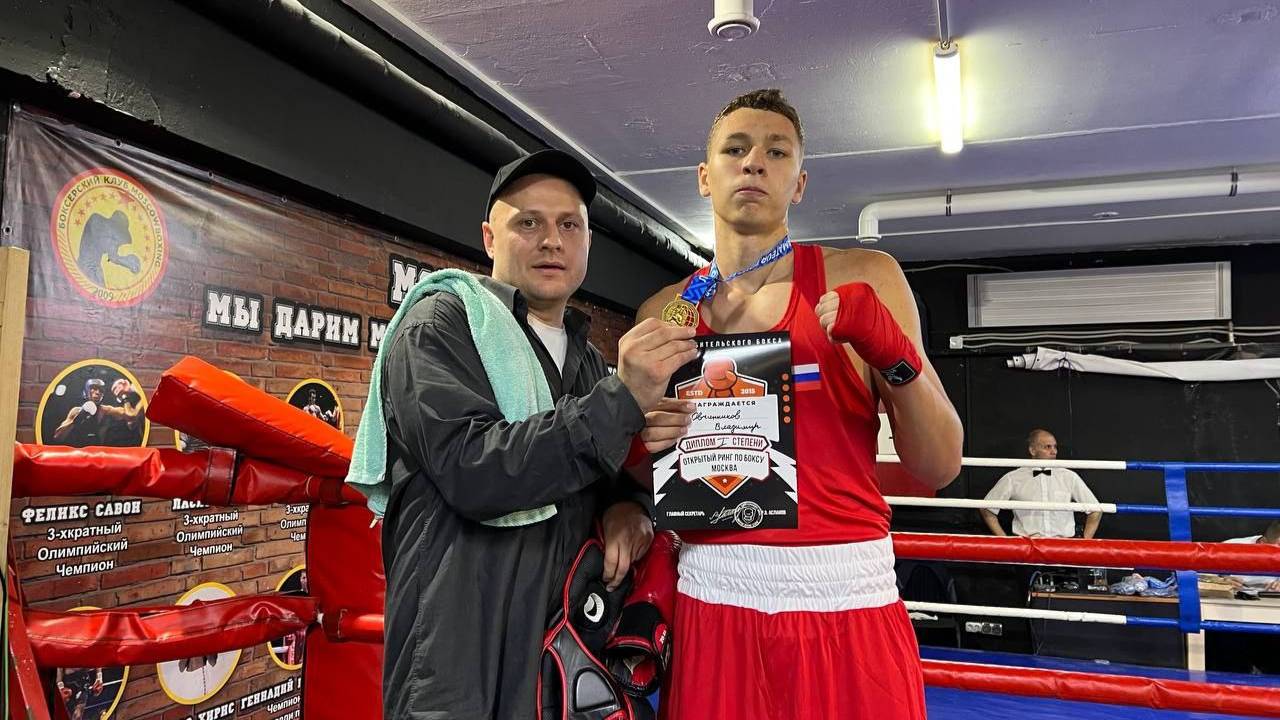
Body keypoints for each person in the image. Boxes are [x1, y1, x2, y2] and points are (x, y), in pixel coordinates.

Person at [634, 89, 963, 719]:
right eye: (735, 149)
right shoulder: (663, 314)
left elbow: (940, 465)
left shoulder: (861, 276)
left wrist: (895, 358)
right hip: (711, 601)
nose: (754, 162)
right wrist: (635, 440)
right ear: (704, 177)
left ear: (800, 183)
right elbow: (649, 475)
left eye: (776, 151)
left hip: (846, 602)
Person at [376, 149, 697, 719]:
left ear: (587, 244)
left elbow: (591, 472)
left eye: (569, 225)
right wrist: (622, 400)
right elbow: (474, 470)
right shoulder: (441, 324)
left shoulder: (585, 359)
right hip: (459, 662)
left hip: (557, 655)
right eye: (529, 223)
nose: (552, 240)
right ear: (489, 238)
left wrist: (630, 508)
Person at [980, 429, 1102, 539]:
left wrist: (1086, 541)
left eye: (1055, 447)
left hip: (1062, 546)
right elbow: (986, 508)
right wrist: (1004, 540)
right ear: (1032, 450)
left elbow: (1096, 509)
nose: (1054, 451)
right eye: (1047, 447)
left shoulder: (1069, 477)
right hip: (1027, 546)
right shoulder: (1014, 478)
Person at [1220, 521, 1280, 591]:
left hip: (1270, 596)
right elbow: (1208, 576)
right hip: (1231, 594)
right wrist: (1221, 581)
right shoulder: (1230, 547)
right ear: (1263, 543)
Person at [52, 378, 108, 446]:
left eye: (101, 390)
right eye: (94, 388)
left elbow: (120, 412)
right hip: (79, 450)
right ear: (86, 391)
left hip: (100, 450)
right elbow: (58, 437)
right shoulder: (76, 411)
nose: (97, 392)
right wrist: (78, 417)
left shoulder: (107, 411)